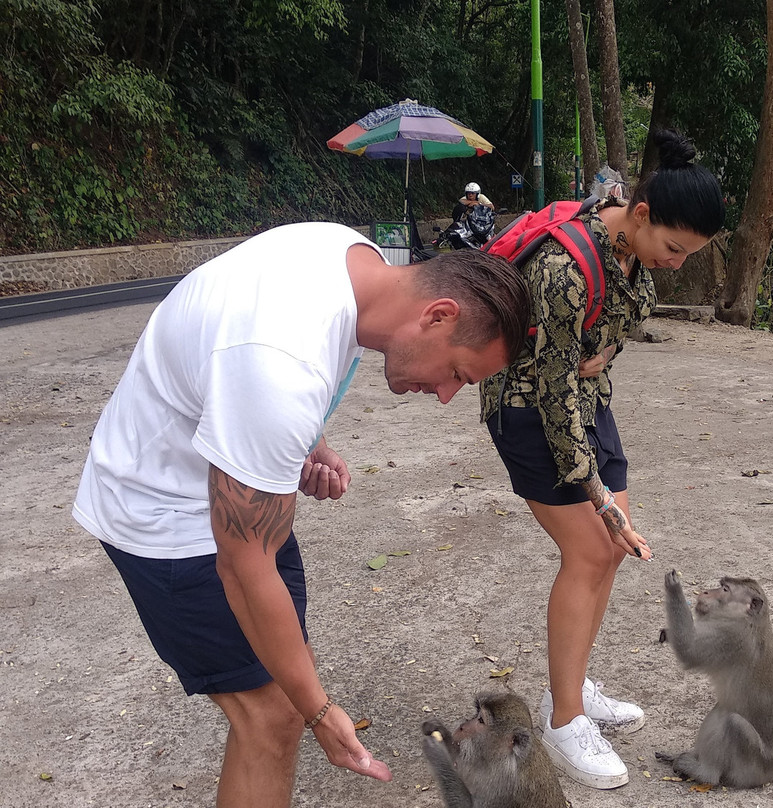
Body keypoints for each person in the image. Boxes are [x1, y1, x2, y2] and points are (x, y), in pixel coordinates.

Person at [72, 222, 530, 808]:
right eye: (459, 374)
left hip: (218, 486)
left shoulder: (351, 258)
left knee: (281, 699)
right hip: (165, 514)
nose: (446, 396)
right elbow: (242, 568)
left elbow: (244, 385)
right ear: (438, 315)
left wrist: (304, 445)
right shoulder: (281, 365)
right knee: (276, 716)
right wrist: (319, 711)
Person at [479, 130, 726, 789]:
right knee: (590, 550)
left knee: (610, 551)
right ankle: (563, 722)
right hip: (532, 410)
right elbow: (553, 387)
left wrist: (605, 351)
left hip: (589, 401)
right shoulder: (564, 267)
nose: (676, 263)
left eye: (689, 254)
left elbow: (613, 329)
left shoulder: (630, 241)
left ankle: (573, 684)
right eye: (674, 248)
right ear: (641, 214)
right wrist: (595, 494)